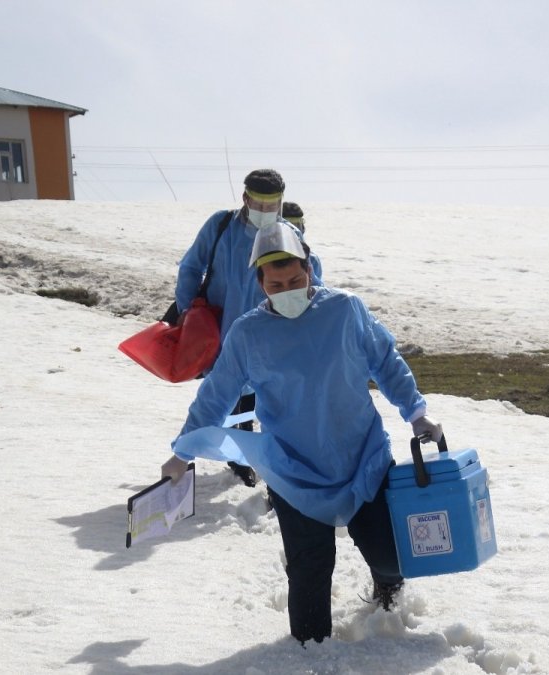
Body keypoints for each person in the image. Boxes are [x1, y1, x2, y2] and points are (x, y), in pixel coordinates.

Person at [161, 222, 444, 645]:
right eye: (276, 284)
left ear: (309, 269)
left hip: (361, 457)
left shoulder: (345, 310)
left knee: (389, 555)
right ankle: (310, 654)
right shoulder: (248, 334)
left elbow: (385, 360)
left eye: (295, 279)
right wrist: (182, 451)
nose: (287, 288)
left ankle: (388, 596)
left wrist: (417, 413)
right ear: (260, 283)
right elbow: (216, 394)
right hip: (294, 470)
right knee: (310, 570)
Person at [173, 169, 321, 487]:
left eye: (274, 205)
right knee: (223, 396)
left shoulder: (287, 235)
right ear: (245, 198)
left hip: (270, 336)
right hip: (219, 332)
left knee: (269, 399)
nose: (267, 212)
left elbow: (311, 277)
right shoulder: (220, 226)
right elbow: (191, 266)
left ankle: (273, 466)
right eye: (260, 204)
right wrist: (188, 313)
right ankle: (235, 454)